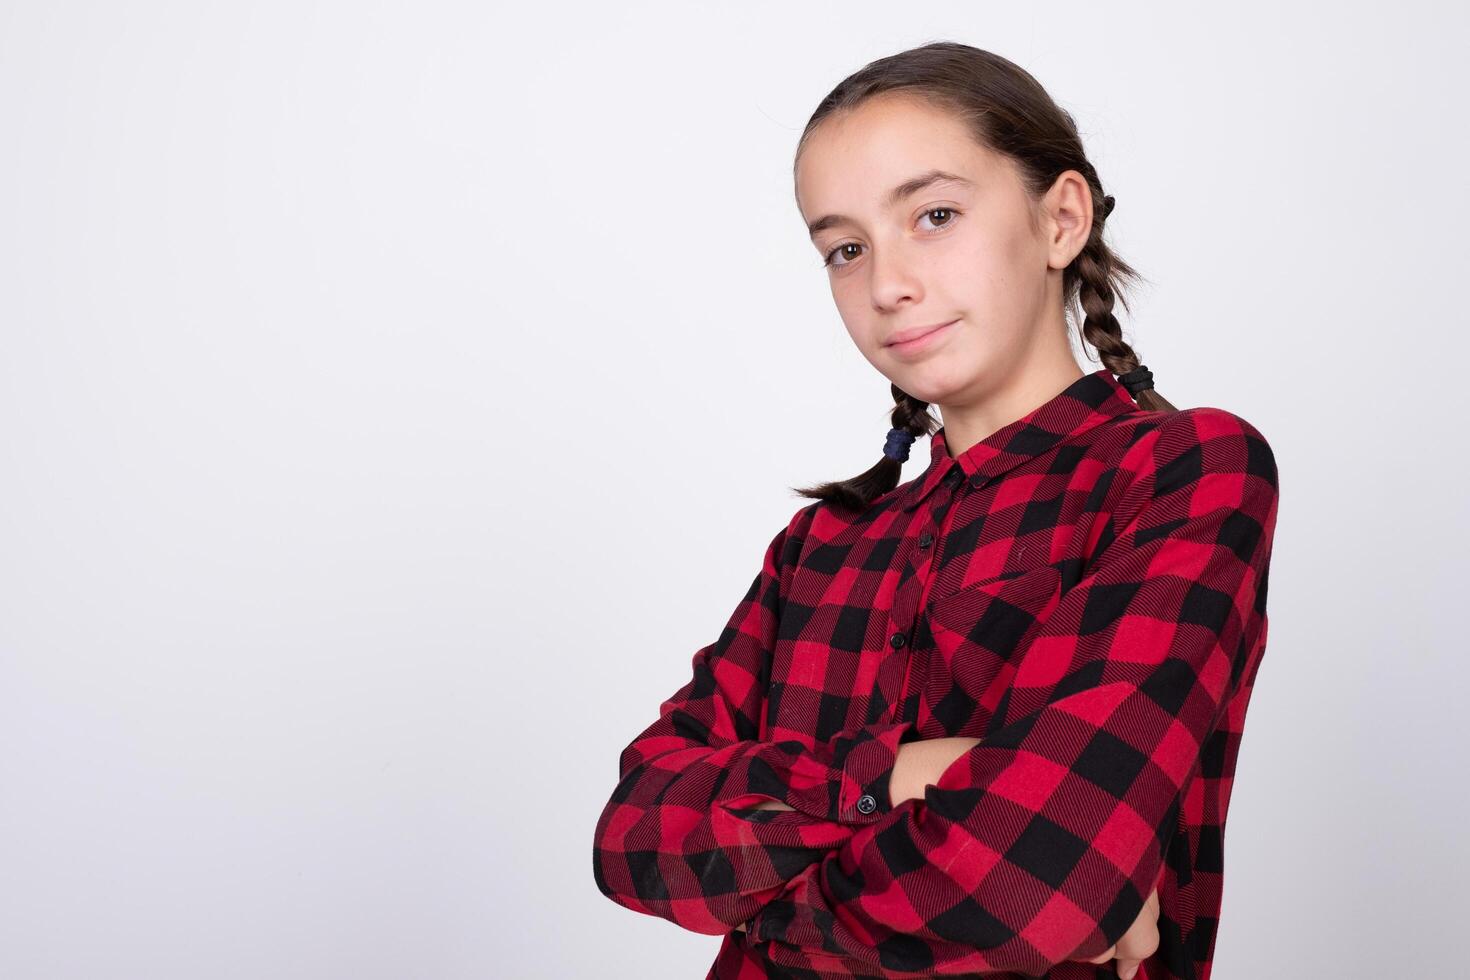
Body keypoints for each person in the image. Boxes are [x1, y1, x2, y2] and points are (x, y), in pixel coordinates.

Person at [593, 41, 1278, 980]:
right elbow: (634, 832)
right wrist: (909, 774)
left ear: (1060, 219)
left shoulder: (1181, 474)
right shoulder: (820, 549)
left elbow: (1033, 887)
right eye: (846, 248)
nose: (885, 284)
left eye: (935, 215)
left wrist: (759, 898)